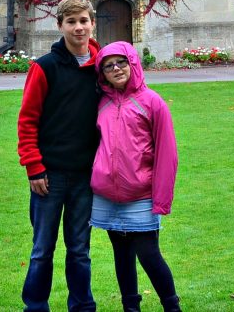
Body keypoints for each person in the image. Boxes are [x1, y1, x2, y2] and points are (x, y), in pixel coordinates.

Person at [18, 0, 102, 312]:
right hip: (49, 176)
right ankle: (36, 305)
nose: (79, 27)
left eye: (84, 21)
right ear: (60, 25)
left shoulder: (102, 68)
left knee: (79, 249)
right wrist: (34, 167)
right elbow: (27, 121)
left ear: (92, 23)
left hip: (85, 177)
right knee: (42, 249)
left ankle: (82, 305)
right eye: (71, 22)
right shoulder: (44, 68)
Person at [90, 41, 180, 312]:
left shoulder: (152, 102)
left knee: (149, 255)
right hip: (107, 195)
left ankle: (172, 307)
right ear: (102, 73)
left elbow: (167, 154)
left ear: (132, 63)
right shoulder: (100, 103)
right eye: (108, 65)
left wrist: (161, 200)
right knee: (122, 254)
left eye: (121, 62)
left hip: (141, 194)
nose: (116, 68)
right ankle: (131, 308)